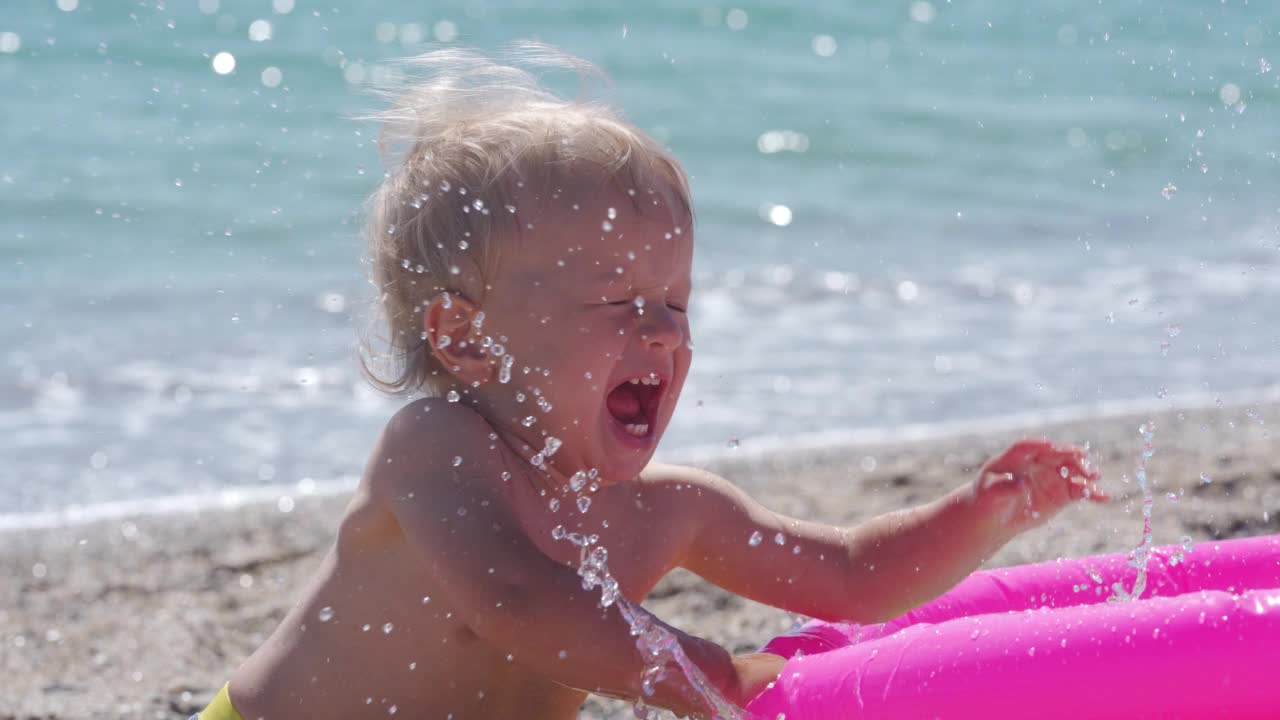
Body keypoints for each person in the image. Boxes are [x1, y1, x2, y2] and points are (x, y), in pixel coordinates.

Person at [195, 44, 1106, 720]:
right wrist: (704, 674)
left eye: (677, 301)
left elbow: (853, 573)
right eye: (619, 301)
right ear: (466, 337)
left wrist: (982, 512)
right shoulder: (437, 451)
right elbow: (519, 599)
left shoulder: (667, 511)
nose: (664, 333)